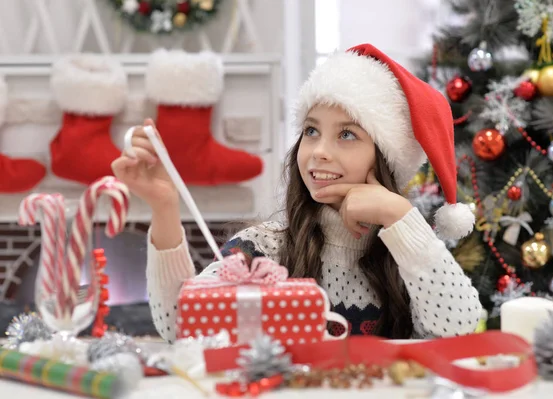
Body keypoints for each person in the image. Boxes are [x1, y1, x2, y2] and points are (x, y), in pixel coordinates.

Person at [112, 44, 482, 343]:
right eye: (311, 130)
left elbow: (459, 330)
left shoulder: (411, 257)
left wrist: (401, 216)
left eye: (347, 134)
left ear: (385, 159)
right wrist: (164, 207)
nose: (319, 150)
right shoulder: (262, 249)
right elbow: (181, 326)